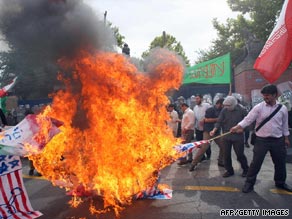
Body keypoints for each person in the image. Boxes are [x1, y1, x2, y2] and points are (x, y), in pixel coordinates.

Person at [230, 84, 292, 193]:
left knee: (280, 163)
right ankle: (249, 183)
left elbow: (284, 125)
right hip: (261, 141)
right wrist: (237, 126)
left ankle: (280, 183)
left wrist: (286, 138)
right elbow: (248, 119)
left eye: (267, 96)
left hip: (277, 140)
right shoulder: (259, 107)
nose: (265, 98)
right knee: (256, 163)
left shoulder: (282, 109)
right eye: (264, 96)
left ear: (275, 95)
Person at [210, 96, 249, 178]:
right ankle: (229, 170)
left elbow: (249, 122)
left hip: (238, 137)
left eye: (228, 106)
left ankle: (246, 169)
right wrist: (214, 130)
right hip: (226, 136)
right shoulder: (224, 110)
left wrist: (241, 130)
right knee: (226, 154)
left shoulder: (242, 110)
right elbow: (219, 121)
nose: (226, 107)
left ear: (234, 104)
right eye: (225, 106)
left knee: (239, 154)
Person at [189, 98, 225, 171]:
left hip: (217, 131)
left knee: (223, 146)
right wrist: (218, 119)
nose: (224, 106)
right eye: (223, 105)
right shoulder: (210, 110)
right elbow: (206, 120)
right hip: (208, 131)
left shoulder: (222, 110)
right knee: (204, 148)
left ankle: (221, 161)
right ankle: (193, 163)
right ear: (219, 104)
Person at [193, 94, 212, 159]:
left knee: (206, 142)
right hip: (198, 128)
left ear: (201, 99)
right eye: (196, 99)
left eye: (197, 98)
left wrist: (205, 120)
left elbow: (211, 114)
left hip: (205, 128)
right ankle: (202, 156)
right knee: (199, 142)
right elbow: (195, 118)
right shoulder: (195, 107)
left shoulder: (207, 105)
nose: (196, 100)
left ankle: (208, 155)